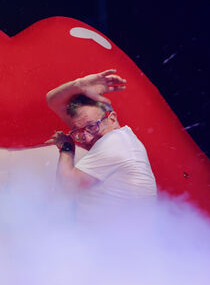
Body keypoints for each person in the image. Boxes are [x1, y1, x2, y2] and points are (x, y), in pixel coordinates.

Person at [45, 69, 157, 215]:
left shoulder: (116, 142)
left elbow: (66, 189)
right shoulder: (118, 137)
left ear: (112, 118)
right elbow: (53, 102)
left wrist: (66, 148)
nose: (88, 137)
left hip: (118, 236)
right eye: (79, 131)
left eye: (92, 126)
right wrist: (78, 85)